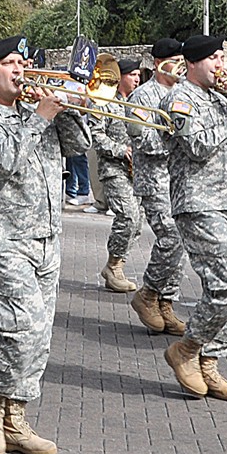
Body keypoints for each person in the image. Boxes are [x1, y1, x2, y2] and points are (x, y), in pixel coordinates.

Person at [0, 34, 88, 454]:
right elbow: (1, 164)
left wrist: (65, 111)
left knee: (40, 336)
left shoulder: (35, 112)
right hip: (0, 237)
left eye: (21, 62)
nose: (20, 70)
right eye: (9, 63)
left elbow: (81, 148)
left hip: (45, 237)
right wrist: (42, 117)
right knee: (20, 329)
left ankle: (16, 416)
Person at [161, 34, 227, 399]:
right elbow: (196, 146)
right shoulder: (178, 99)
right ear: (192, 63)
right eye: (213, 59)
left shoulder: (221, 98)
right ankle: (186, 350)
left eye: (222, 57)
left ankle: (210, 363)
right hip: (198, 202)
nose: (220, 65)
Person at [128, 38, 191, 335]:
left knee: (181, 240)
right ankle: (148, 293)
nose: (179, 66)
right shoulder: (142, 96)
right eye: (174, 60)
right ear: (158, 63)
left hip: (180, 180)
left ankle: (167, 302)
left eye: (182, 60)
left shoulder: (184, 93)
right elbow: (143, 141)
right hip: (154, 179)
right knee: (171, 236)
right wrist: (177, 140)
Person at [89, 57, 143, 294]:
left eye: (138, 75)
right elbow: (96, 135)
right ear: (119, 77)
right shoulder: (103, 101)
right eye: (132, 75)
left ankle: (117, 265)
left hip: (136, 170)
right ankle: (113, 266)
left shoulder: (137, 102)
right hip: (114, 169)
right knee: (128, 217)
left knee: (137, 223)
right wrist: (122, 150)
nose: (137, 79)